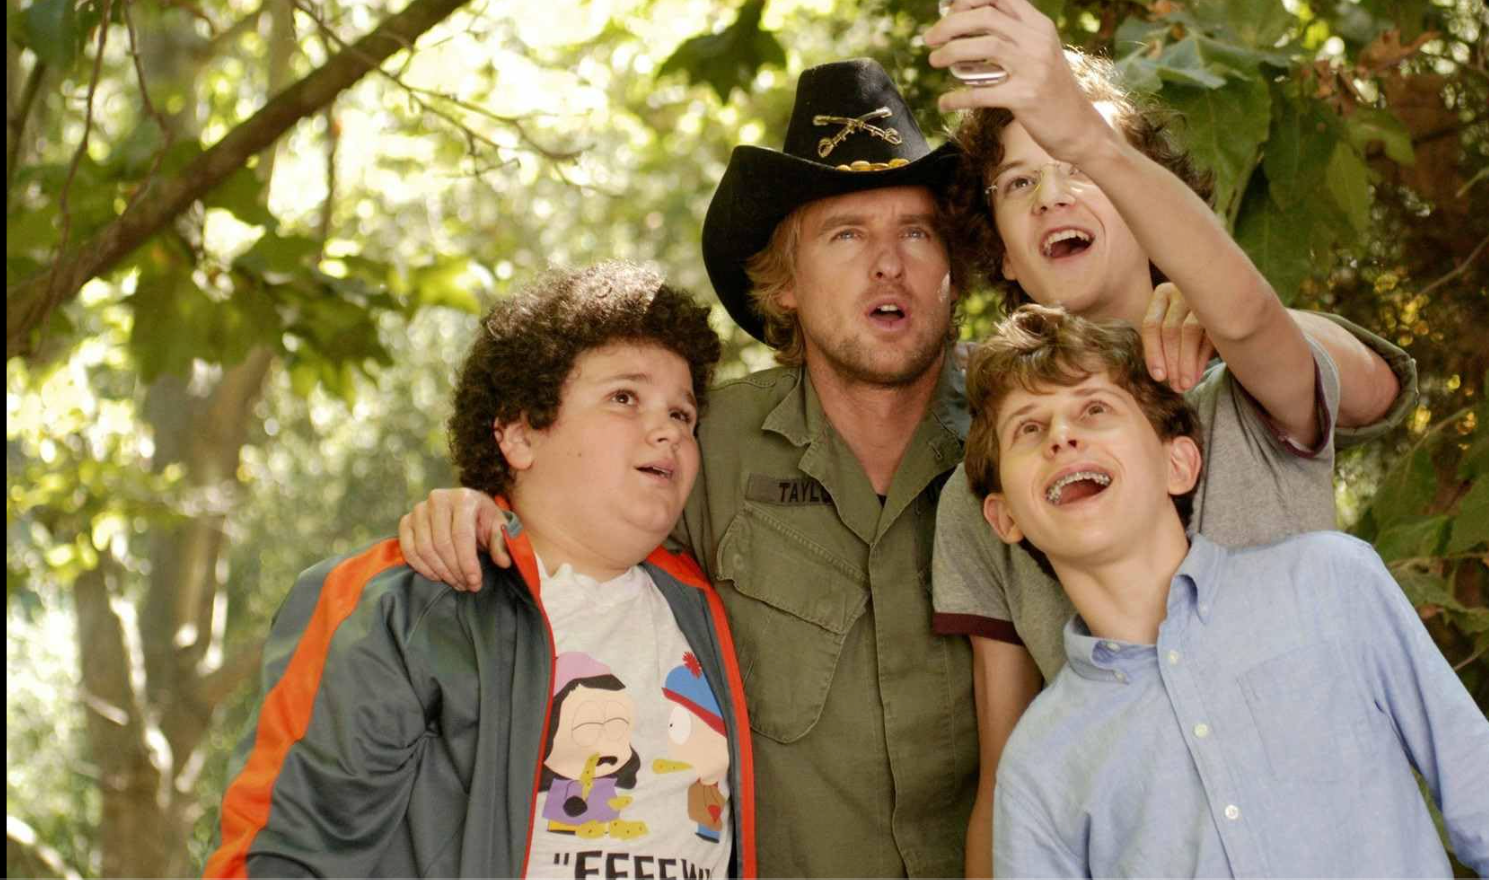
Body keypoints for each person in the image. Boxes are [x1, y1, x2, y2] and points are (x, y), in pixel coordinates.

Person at [398, 60, 979, 877]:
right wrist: (477, 512)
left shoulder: (1026, 424)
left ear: (953, 266)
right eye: (847, 234)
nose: (889, 264)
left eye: (917, 232)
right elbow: (571, 533)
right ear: (785, 284)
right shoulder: (708, 446)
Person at [921, 0, 1417, 872]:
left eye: (1082, 164)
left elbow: (1347, 372)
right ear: (1001, 249)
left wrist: (1225, 311)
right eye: (1020, 183)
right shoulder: (990, 486)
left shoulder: (1241, 385)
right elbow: (1009, 774)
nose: (1052, 196)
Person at [962, 305, 1489, 878]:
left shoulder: (1332, 584)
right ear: (1005, 517)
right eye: (1028, 429)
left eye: (1095, 410)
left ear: (1179, 464)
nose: (1061, 436)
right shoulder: (1038, 768)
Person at [207, 263, 753, 879]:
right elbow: (286, 853)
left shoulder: (716, 605)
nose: (667, 431)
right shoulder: (395, 605)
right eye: (624, 398)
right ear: (519, 435)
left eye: (682, 415)